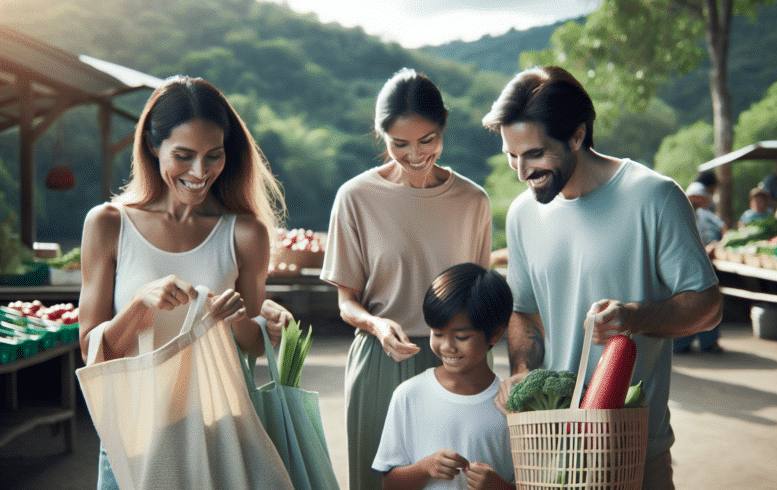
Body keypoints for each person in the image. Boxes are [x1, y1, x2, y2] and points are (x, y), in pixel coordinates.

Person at [482, 66, 722, 490]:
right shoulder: (522, 213)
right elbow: (524, 311)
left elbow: (708, 307)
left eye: (534, 154)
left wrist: (634, 316)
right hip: (550, 448)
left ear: (577, 135)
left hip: (634, 451)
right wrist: (523, 370)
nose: (521, 171)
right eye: (511, 155)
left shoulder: (654, 197)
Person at [78, 75, 295, 489]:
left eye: (214, 155)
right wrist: (140, 303)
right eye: (184, 155)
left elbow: (252, 345)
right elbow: (92, 350)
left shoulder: (244, 233)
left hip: (218, 426)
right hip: (134, 434)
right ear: (152, 145)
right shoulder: (108, 224)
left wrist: (235, 318)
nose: (200, 171)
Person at [320, 68, 492, 490]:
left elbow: (479, 302)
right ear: (382, 136)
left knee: (452, 482)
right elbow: (347, 302)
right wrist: (377, 325)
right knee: (378, 483)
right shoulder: (355, 198)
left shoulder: (473, 201)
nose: (415, 154)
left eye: (427, 140)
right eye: (399, 144)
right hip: (382, 360)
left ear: (443, 127)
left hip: (454, 359)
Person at [372, 263, 515, 490]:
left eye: (461, 337)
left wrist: (500, 487)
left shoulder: (510, 407)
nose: (447, 346)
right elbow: (389, 484)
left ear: (495, 334)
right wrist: (424, 468)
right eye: (437, 333)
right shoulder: (409, 395)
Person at [674, 182, 726, 354]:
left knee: (708, 302)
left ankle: (708, 342)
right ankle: (681, 343)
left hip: (702, 266)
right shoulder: (679, 213)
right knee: (688, 304)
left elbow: (722, 227)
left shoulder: (703, 215)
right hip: (684, 268)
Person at [686, 181, 727, 256]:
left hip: (712, 249)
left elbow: (723, 226)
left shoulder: (703, 212)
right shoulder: (684, 216)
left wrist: (721, 243)